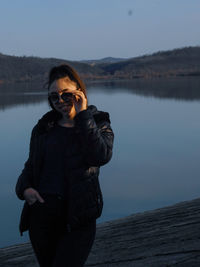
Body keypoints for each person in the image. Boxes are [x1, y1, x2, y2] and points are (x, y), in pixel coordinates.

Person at [15, 64, 114, 267]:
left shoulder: (98, 122)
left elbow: (100, 156)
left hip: (79, 220)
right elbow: (31, 166)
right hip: (42, 219)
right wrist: (24, 188)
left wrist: (83, 114)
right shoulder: (43, 128)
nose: (60, 101)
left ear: (79, 92)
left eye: (66, 95)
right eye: (54, 96)